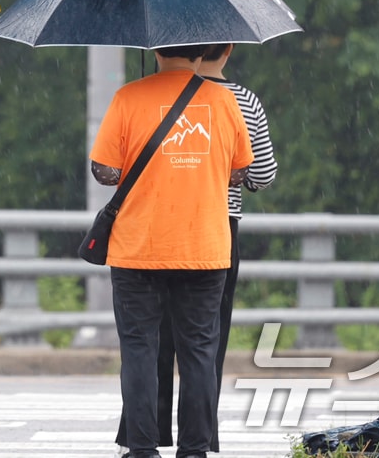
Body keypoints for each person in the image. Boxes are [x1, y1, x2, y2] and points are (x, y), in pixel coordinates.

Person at [112, 42, 278, 454]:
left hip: (147, 232)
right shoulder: (240, 101)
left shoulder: (137, 95)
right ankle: (198, 441)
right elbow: (260, 174)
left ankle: (141, 440)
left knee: (145, 344)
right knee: (203, 345)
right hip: (212, 231)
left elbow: (109, 168)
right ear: (227, 48)